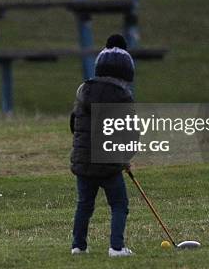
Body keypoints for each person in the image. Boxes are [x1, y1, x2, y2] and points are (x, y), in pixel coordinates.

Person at [69, 34, 135, 257]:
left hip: (84, 162)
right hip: (108, 163)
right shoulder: (123, 96)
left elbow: (74, 124)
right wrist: (126, 158)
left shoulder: (83, 91)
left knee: (84, 204)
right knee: (119, 204)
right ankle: (116, 247)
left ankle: (78, 246)